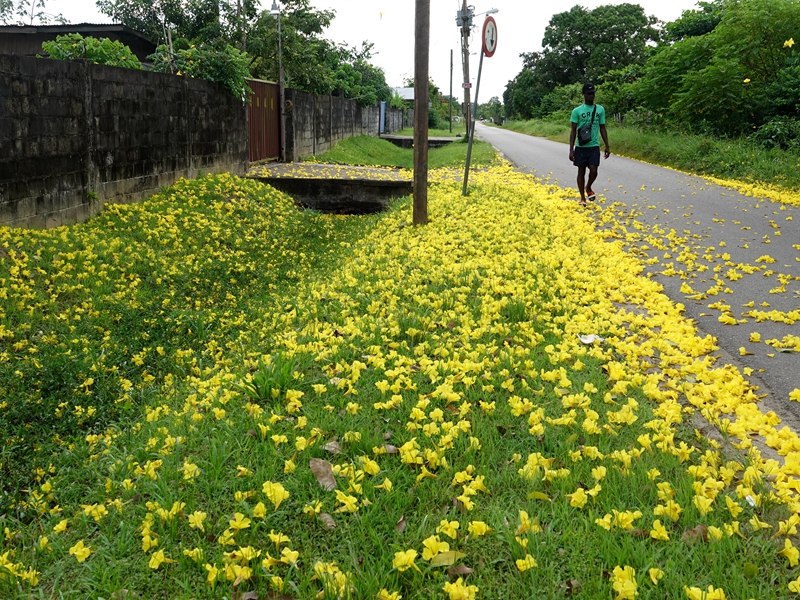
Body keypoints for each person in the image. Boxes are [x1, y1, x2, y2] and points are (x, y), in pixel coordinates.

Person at [569, 82, 610, 206]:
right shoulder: (577, 111)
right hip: (581, 146)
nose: (591, 96)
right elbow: (573, 130)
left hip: (594, 146)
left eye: (593, 93)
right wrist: (571, 149)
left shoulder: (600, 109)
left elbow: (602, 128)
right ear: (583, 94)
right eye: (588, 94)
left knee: (594, 169)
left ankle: (589, 187)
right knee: (581, 171)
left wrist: (607, 145)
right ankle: (582, 197)